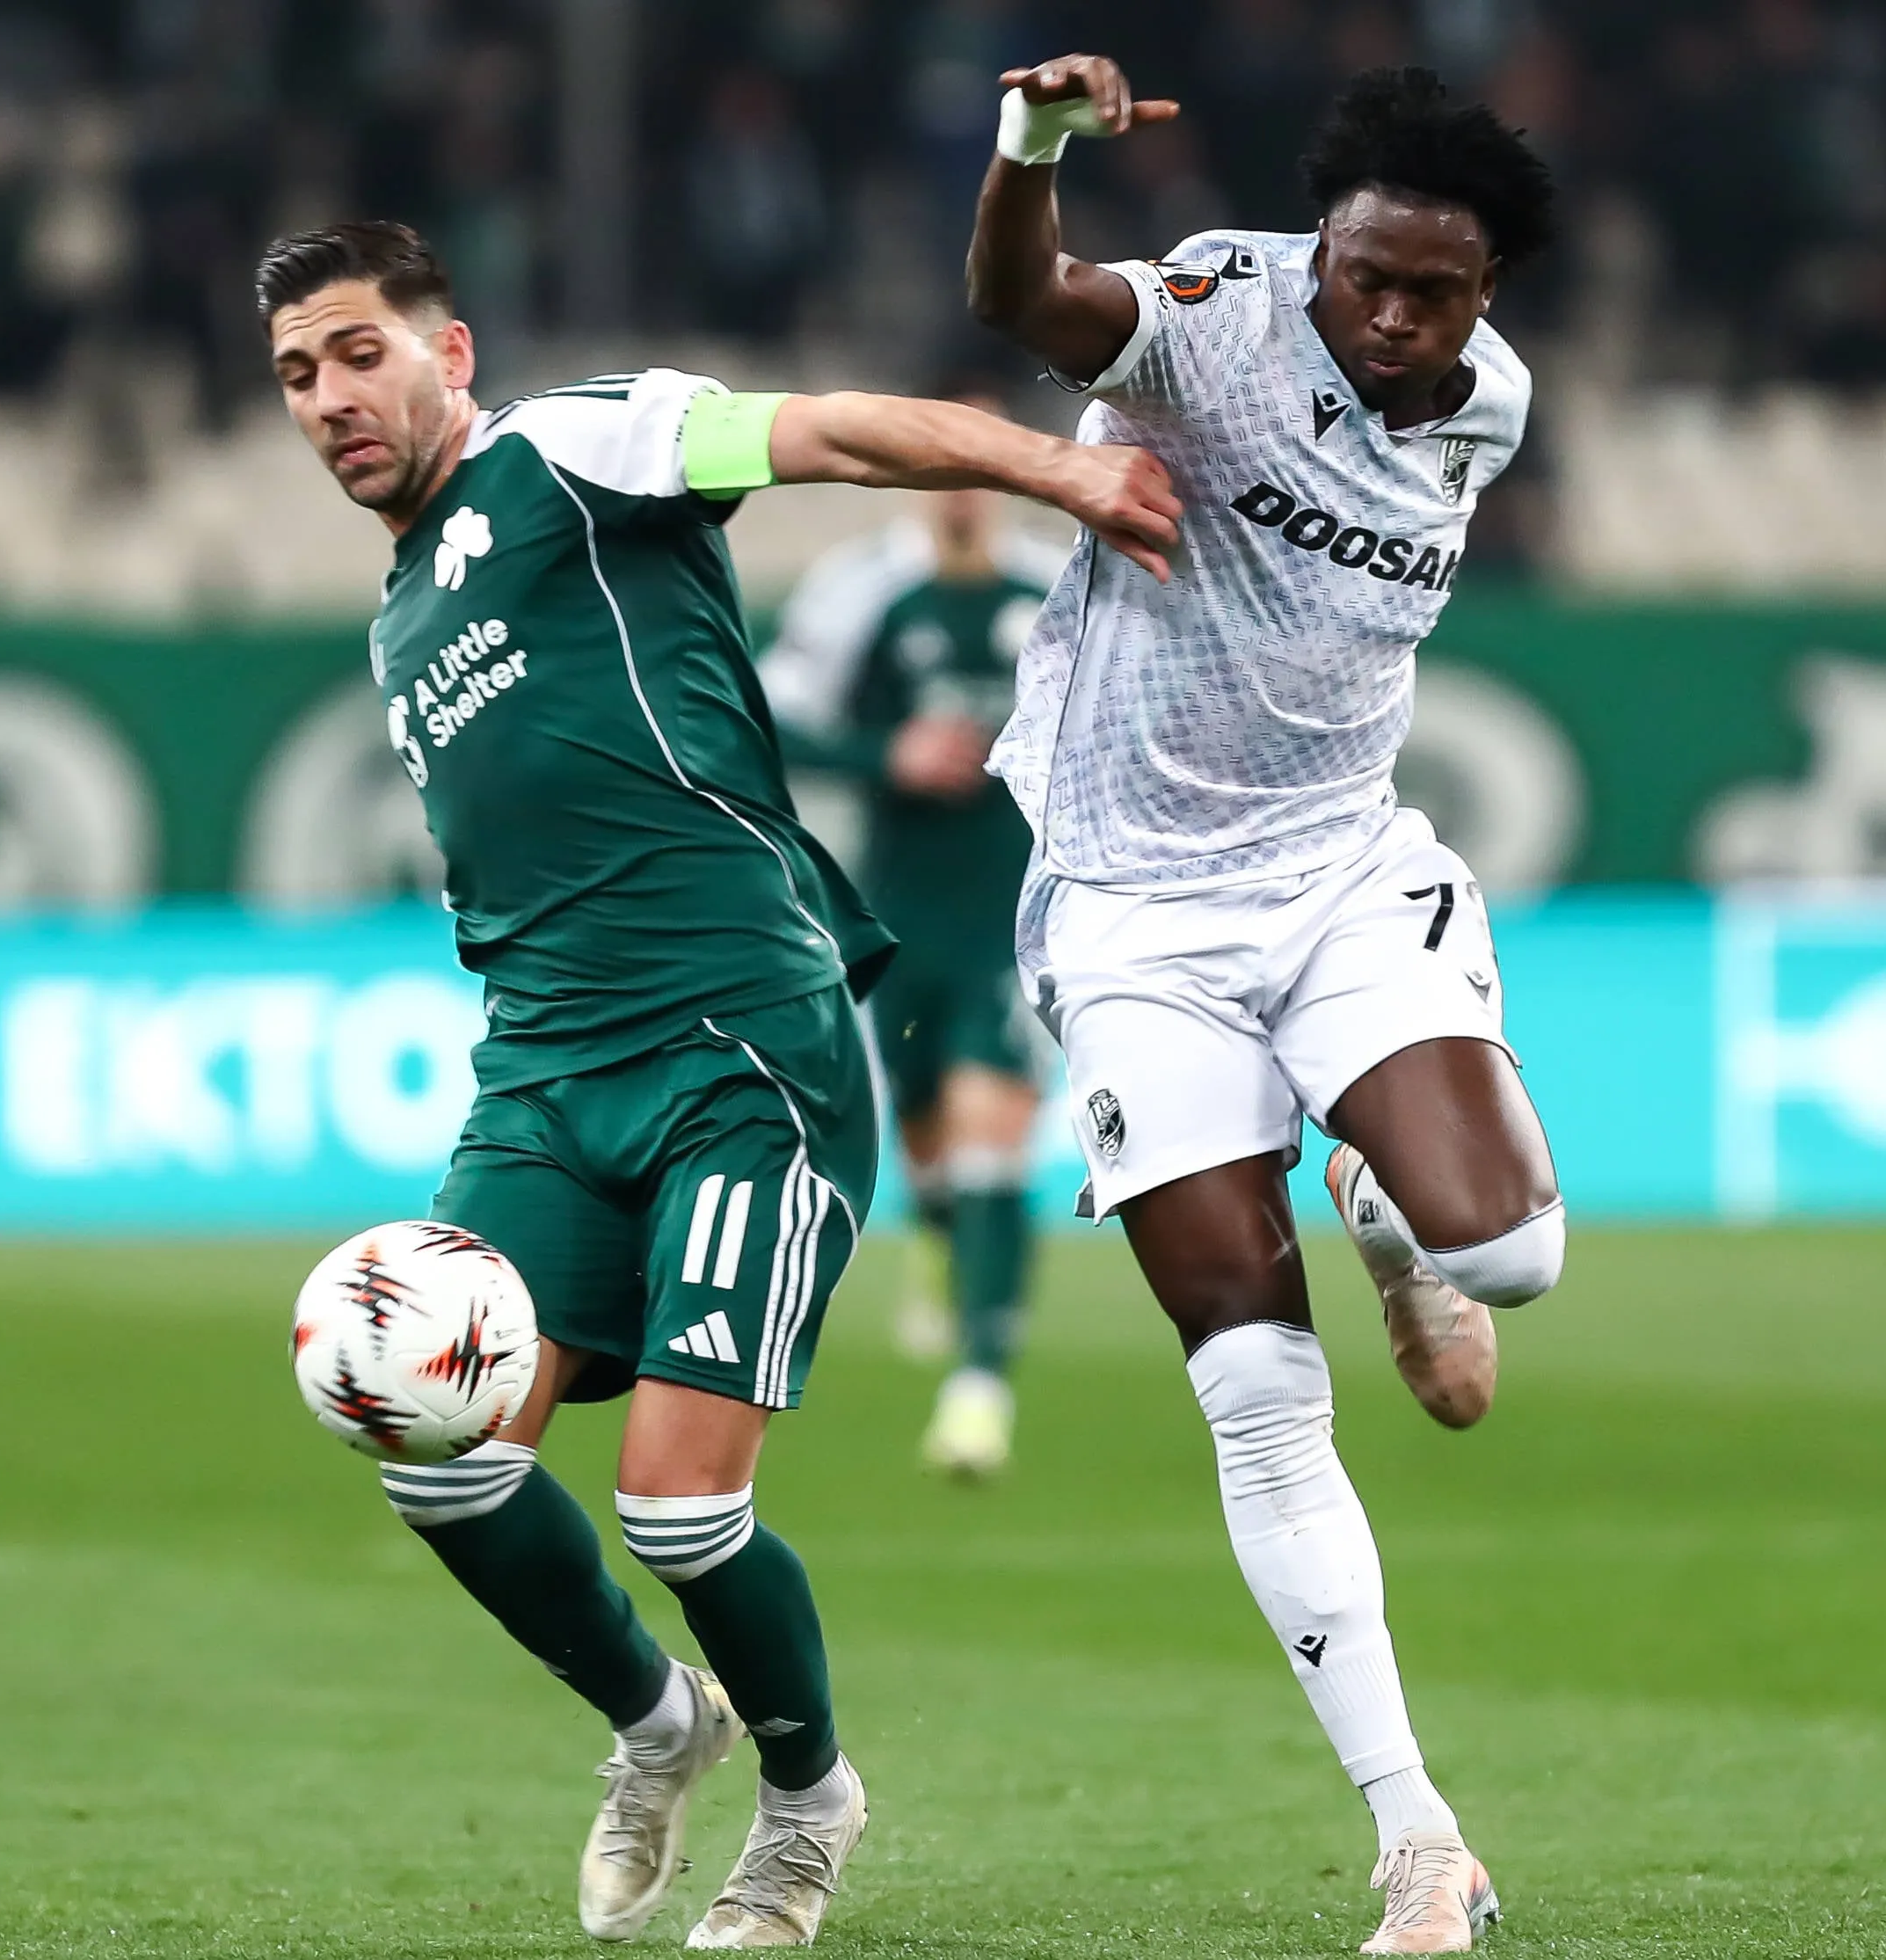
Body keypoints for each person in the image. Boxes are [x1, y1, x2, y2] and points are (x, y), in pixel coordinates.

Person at [261, 221, 1176, 1949]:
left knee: (677, 1501)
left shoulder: (573, 446)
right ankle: (659, 1723)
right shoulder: (400, 614)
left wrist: (1053, 467)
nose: (328, 397)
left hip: (738, 1040)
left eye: (358, 352)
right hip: (542, 1071)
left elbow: (828, 429)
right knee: (435, 1453)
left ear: (448, 353)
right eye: (298, 374)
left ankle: (809, 1797)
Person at [965, 56, 1564, 1956]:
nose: (1385, 317)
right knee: (1249, 1382)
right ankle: (1417, 1839)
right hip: (1132, 912)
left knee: (1514, 1256)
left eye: (1430, 293)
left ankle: (1388, 1206)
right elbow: (1026, 300)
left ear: (1483, 297)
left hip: (1333, 879)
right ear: (1321, 247)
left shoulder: (1491, 408)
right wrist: (1031, 152)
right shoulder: (1218, 317)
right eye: (1363, 275)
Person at [757, 386, 1063, 1478]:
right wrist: (885, 754)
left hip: (1025, 913)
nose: (963, 484)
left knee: (990, 1130)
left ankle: (979, 1389)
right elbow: (768, 721)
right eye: (946, 458)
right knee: (929, 1138)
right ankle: (938, 1235)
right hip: (898, 915)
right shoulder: (861, 590)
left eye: (986, 456)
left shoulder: (1055, 586)